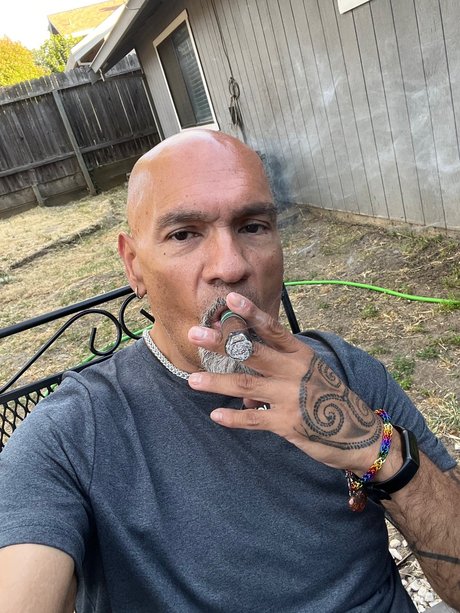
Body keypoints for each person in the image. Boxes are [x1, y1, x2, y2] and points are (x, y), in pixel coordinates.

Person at [0, 129, 458, 613]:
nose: (231, 266)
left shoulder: (345, 372)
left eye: (253, 226)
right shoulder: (73, 436)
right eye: (184, 234)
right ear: (134, 266)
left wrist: (377, 448)